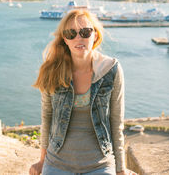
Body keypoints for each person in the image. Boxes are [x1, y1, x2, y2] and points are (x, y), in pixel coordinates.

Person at [30, 9, 133, 175]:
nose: (79, 38)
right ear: (64, 39)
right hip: (57, 163)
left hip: (99, 165)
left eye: (85, 32)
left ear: (95, 35)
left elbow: (116, 122)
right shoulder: (52, 71)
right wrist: (42, 161)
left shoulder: (111, 70)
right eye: (71, 33)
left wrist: (120, 169)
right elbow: (46, 117)